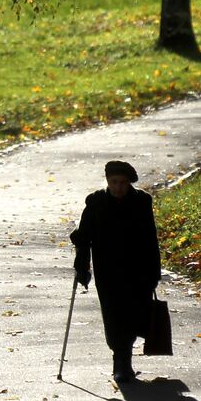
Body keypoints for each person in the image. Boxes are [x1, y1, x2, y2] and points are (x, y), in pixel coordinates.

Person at [70, 160, 162, 383]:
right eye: (114, 182)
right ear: (107, 182)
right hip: (107, 269)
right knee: (113, 314)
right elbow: (84, 239)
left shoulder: (141, 201)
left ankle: (125, 359)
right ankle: (120, 361)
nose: (118, 187)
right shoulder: (96, 202)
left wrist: (153, 272)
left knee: (133, 312)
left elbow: (150, 239)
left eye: (122, 183)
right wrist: (82, 267)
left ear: (129, 182)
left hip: (137, 268)